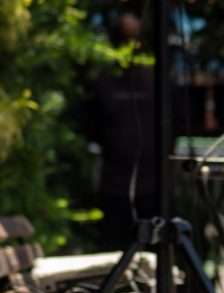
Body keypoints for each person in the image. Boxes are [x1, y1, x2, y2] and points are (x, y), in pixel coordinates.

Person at [85, 12, 158, 250]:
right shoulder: (104, 81)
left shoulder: (156, 80)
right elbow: (92, 126)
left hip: (153, 186)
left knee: (152, 253)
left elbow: (174, 123)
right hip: (114, 185)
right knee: (113, 247)